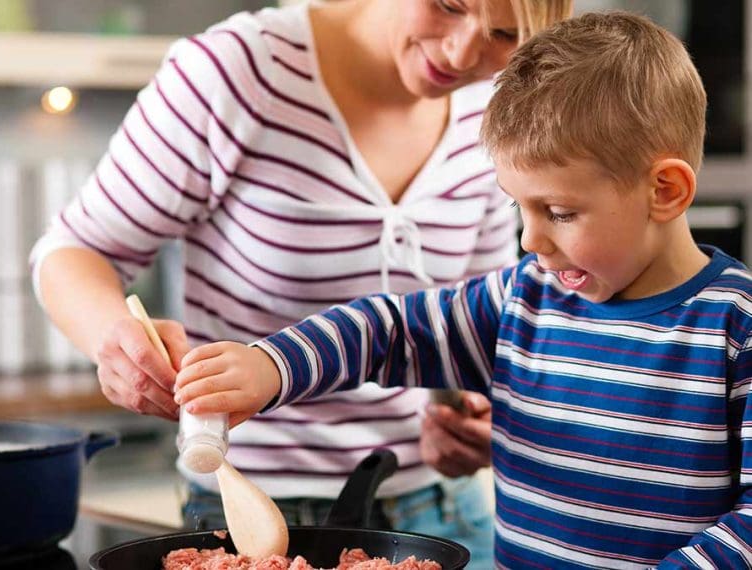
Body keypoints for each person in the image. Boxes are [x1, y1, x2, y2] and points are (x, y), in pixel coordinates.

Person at [172, 11, 752, 569]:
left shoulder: (736, 330)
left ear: (667, 190)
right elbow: (387, 330)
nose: (531, 241)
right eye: (519, 208)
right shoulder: (522, 301)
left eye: (559, 211)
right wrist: (273, 367)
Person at [31, 0, 571, 566]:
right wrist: (113, 339)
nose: (462, 52)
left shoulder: (498, 107)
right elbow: (73, 250)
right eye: (448, 5)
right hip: (253, 517)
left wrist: (469, 419)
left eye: (504, 34)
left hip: (443, 515)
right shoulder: (237, 73)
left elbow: (467, 321)